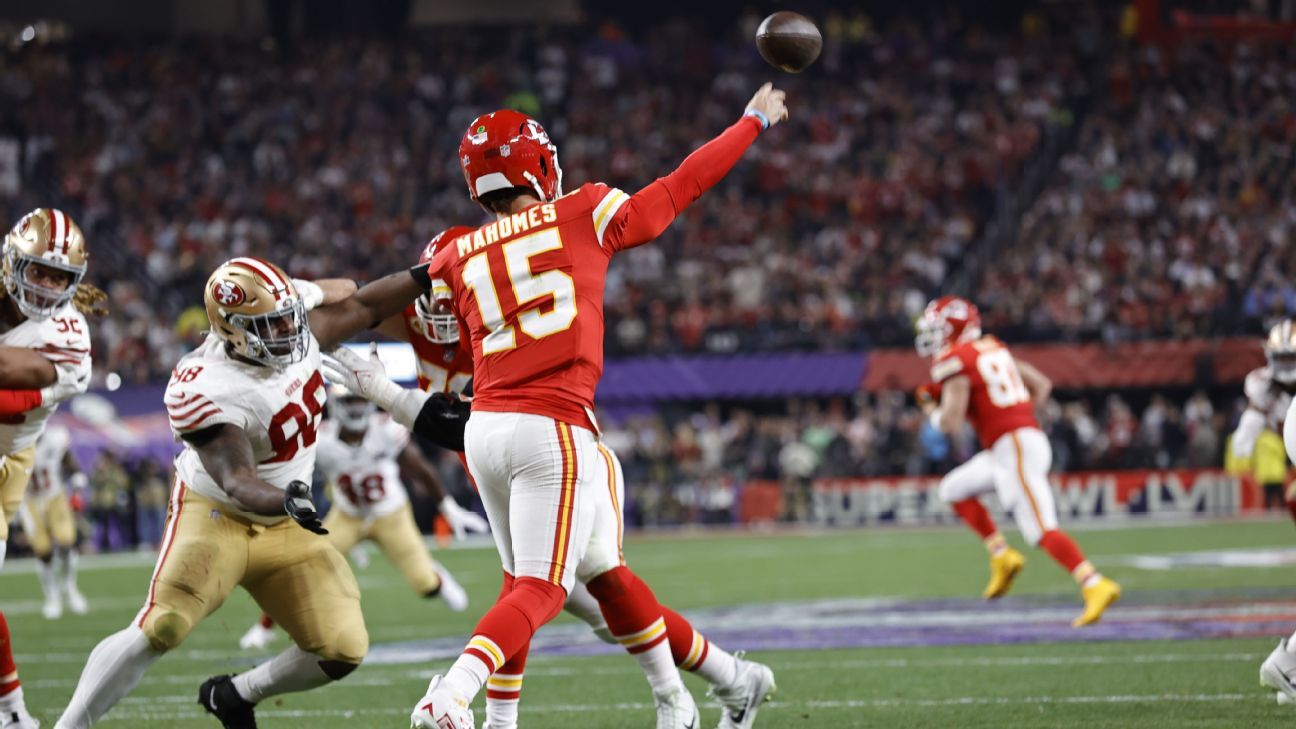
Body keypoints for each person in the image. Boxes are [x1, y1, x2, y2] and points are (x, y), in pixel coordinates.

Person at [333, 81, 787, 729]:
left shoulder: (459, 254)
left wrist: (324, 327)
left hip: (488, 432)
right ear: (540, 165)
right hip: (553, 426)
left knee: (579, 580)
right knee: (544, 587)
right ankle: (455, 694)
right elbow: (680, 186)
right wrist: (751, 122)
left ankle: (698, 692)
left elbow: (382, 304)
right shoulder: (585, 210)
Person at [53, 256, 426, 728]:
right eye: (272, 325)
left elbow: (364, 299)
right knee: (164, 624)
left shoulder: (296, 324)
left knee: (342, 647)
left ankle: (235, 695)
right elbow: (238, 480)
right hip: (218, 516)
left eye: (289, 316)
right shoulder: (207, 385)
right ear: (232, 330)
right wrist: (287, 498)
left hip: (286, 523)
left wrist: (433, 271)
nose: (289, 331)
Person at [915, 296, 1121, 627]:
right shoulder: (992, 348)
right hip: (1012, 444)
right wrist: (1017, 416)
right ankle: (1002, 554)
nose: (933, 336)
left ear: (954, 327)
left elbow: (950, 423)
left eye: (938, 328)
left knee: (1040, 530)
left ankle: (1094, 583)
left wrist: (929, 408)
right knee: (953, 489)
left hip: (1014, 446)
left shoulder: (955, 359)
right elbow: (1042, 385)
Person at [236, 382, 486, 651]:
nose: (355, 408)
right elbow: (298, 478)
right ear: (336, 406)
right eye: (349, 402)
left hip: (391, 515)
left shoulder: (386, 430)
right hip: (348, 517)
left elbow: (420, 469)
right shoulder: (321, 440)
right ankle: (264, 628)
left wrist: (448, 507)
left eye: (359, 400)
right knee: (302, 567)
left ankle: (437, 577)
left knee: (425, 584)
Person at [0, 209, 104, 729]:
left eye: (59, 277)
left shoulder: (67, 337)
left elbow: (6, 390)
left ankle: (12, 713)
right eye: (38, 271)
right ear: (12, 264)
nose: (46, 286)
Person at [20, 423, 90, 620]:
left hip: (55, 496)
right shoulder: (14, 443)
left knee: (66, 540)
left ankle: (69, 587)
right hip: (30, 501)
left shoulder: (55, 439)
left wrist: (77, 491)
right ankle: (52, 597)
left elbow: (73, 467)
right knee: (42, 550)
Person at [1231, 320, 1296, 524]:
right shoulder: (1260, 383)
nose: (1287, 363)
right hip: (1282, 451)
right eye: (1282, 357)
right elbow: (1252, 420)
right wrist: (1243, 450)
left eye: (1291, 357)